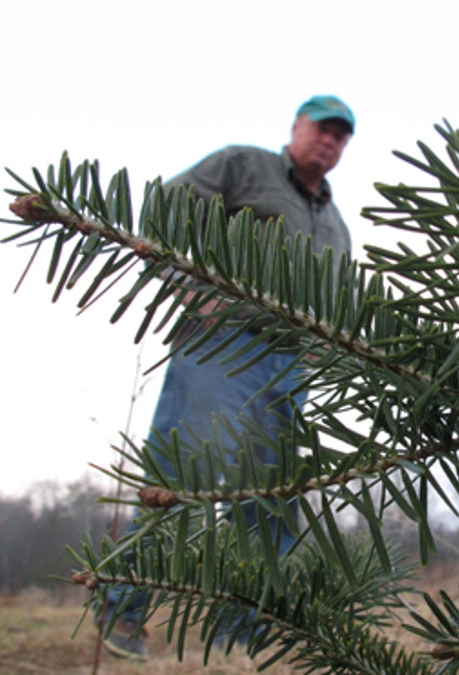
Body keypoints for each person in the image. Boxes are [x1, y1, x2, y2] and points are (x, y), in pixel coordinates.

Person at [97, 95, 356, 661]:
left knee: (271, 494)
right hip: (222, 342)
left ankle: (240, 635)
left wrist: (322, 355)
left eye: (342, 135)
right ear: (296, 125)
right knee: (185, 473)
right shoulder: (244, 166)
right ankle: (122, 608)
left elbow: (340, 301)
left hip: (288, 364)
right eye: (323, 128)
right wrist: (186, 284)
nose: (330, 141)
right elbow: (166, 208)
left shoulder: (336, 225)